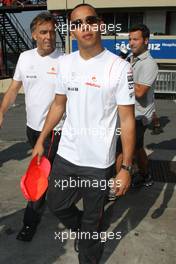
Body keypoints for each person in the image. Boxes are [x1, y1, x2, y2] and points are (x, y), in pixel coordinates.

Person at [32, 4, 135, 263]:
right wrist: (42, 140)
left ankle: (90, 248)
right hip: (66, 156)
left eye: (90, 20)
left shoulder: (119, 68)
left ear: (100, 24)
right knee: (56, 204)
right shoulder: (65, 64)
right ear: (72, 31)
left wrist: (126, 168)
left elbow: (127, 120)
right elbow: (58, 105)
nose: (85, 27)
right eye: (78, 23)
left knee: (92, 219)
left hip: (98, 163)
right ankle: (87, 232)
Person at [0, 12, 64, 241]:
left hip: (55, 130)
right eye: (44, 32)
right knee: (52, 172)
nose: (49, 37)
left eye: (52, 32)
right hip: (31, 128)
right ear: (34, 34)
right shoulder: (25, 58)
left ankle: (30, 222)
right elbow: (13, 89)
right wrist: (1, 111)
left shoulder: (64, 60)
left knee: (38, 174)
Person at [116, 24, 158, 188]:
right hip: (128, 114)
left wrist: (121, 77)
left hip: (139, 116)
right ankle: (145, 176)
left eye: (135, 39)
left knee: (119, 150)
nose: (131, 43)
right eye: (129, 39)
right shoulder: (130, 58)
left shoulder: (149, 64)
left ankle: (116, 185)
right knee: (138, 148)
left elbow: (140, 92)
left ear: (146, 41)